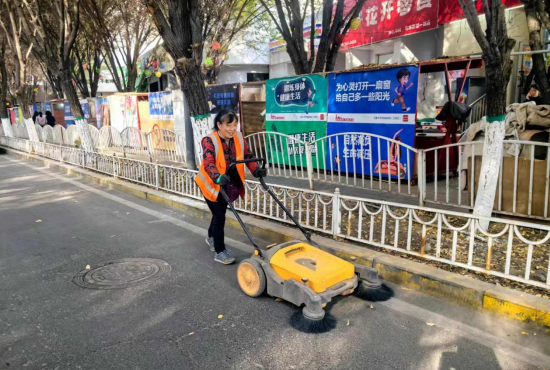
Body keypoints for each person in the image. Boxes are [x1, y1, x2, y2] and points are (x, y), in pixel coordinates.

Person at [195, 110, 267, 265]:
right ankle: (220, 251)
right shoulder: (209, 140)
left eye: (235, 125)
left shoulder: (239, 138)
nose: (232, 129)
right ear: (219, 125)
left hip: (227, 183)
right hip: (210, 184)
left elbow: (247, 156)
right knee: (219, 216)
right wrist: (217, 177)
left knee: (218, 213)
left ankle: (211, 237)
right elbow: (208, 163)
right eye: (229, 125)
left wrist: (256, 169)